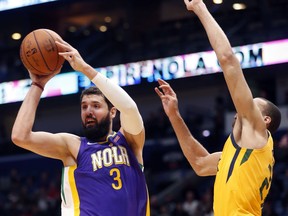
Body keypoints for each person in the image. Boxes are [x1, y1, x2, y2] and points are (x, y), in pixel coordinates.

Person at [155, 0, 281, 215]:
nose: (242, 111)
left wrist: (199, 7)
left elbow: (228, 59)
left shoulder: (256, 131)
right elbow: (200, 163)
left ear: (265, 120)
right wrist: (174, 115)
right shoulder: (241, 155)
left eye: (253, 105)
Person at [11, 39, 150, 216]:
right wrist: (37, 86)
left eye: (96, 106)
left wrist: (86, 69)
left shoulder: (129, 142)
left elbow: (130, 108)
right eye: (84, 107)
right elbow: (20, 136)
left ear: (113, 112)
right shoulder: (72, 146)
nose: (88, 111)